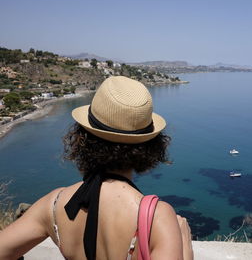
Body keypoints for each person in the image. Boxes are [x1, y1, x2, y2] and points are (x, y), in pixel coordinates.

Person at [0, 76, 194, 260]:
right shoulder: (157, 217)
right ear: (150, 147)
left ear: (81, 138)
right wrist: (184, 244)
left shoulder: (54, 204)